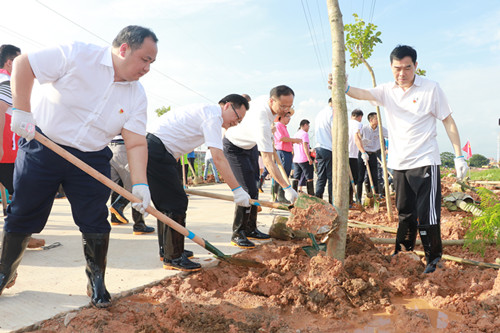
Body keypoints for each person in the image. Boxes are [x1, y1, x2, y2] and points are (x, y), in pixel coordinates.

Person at [0, 25, 158, 308]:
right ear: (124, 49)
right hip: (43, 145)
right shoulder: (78, 55)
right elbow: (25, 64)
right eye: (144, 59)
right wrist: (22, 110)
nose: (147, 68)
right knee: (23, 212)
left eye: (151, 63)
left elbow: (135, 144)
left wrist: (141, 184)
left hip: (91, 156)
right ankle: (4, 272)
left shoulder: (137, 95)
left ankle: (96, 280)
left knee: (95, 219)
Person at [342, 44, 468, 273]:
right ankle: (403, 254)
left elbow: (448, 121)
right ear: (391, 67)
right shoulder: (387, 91)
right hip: (399, 164)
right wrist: (345, 86)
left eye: (407, 68)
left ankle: (433, 258)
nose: (402, 73)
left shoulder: (431, 89)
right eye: (397, 68)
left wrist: (459, 155)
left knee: (427, 213)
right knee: (405, 212)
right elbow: (363, 93)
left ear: (416, 66)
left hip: (425, 161)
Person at [146, 94, 251, 271]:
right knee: (176, 204)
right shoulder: (213, 117)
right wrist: (238, 190)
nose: (236, 123)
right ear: (227, 106)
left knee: (168, 205)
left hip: (159, 151)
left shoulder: (207, 113)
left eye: (240, 121)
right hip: (157, 150)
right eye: (237, 117)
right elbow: (218, 158)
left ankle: (170, 250)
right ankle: (173, 257)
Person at [224, 85, 299, 249]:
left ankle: (251, 228)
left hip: (249, 145)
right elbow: (268, 161)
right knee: (245, 191)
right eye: (283, 106)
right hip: (234, 146)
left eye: (289, 106)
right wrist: (286, 187)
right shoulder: (262, 122)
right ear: (272, 101)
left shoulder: (268, 104)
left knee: (254, 188)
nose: (286, 110)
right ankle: (238, 233)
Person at [108, 134, 155, 234]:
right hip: (124, 147)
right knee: (136, 185)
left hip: (110, 147)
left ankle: (115, 218)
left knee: (118, 186)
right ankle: (139, 225)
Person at [357, 112, 388, 201]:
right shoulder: (364, 128)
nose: (379, 120)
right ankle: (359, 198)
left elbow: (390, 135)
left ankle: (375, 196)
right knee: (361, 177)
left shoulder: (381, 129)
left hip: (374, 154)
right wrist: (363, 150)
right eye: (376, 118)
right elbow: (357, 138)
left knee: (375, 176)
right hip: (364, 154)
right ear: (371, 120)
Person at [273, 110, 301, 203]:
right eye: (287, 117)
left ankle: (281, 195)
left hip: (287, 152)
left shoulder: (284, 127)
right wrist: (294, 140)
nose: (289, 119)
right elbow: (282, 138)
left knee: (286, 173)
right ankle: (279, 196)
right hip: (282, 152)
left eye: (289, 117)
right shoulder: (278, 126)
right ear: (281, 117)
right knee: (282, 174)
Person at [314, 98, 333, 203]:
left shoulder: (320, 113)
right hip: (328, 148)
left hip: (319, 147)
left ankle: (318, 200)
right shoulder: (332, 113)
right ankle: (332, 202)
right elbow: (334, 131)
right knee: (331, 177)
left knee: (321, 176)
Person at [291, 119, 314, 195]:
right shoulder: (305, 134)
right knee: (309, 177)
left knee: (296, 178)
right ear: (305, 125)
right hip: (303, 158)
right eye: (308, 126)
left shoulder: (296, 134)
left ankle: (294, 195)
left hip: (296, 159)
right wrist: (309, 157)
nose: (309, 128)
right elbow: (305, 146)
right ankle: (311, 196)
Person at [349, 109, 364, 206]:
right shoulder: (357, 124)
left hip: (345, 154)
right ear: (360, 117)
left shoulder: (347, 122)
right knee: (352, 179)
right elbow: (357, 138)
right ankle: (349, 201)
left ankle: (349, 200)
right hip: (353, 155)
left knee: (347, 179)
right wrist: (363, 152)